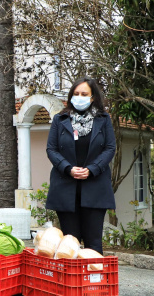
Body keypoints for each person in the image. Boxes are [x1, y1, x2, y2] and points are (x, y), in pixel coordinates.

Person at [45, 77, 117, 253]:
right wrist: (68, 168)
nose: (79, 97)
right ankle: (72, 281)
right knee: (69, 245)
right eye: (76, 93)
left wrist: (92, 169)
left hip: (95, 188)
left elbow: (110, 148)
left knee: (94, 244)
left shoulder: (104, 119)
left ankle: (94, 280)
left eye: (84, 94)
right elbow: (51, 149)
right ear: (70, 96)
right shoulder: (59, 119)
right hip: (65, 188)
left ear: (92, 98)